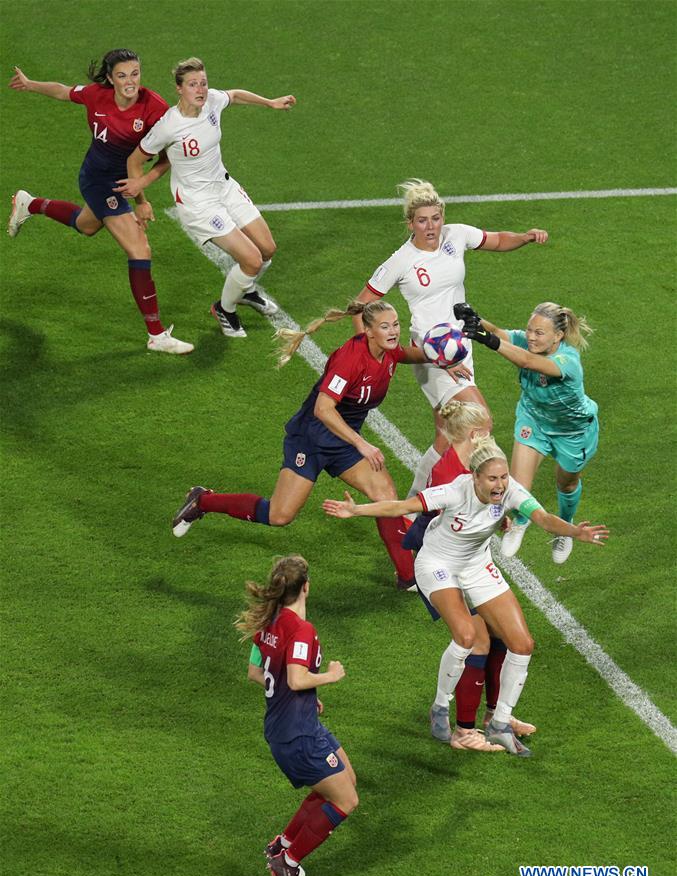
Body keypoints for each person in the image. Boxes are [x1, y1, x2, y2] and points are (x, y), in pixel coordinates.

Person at [323, 437, 609, 756]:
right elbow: (402, 507)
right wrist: (356, 510)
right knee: (466, 636)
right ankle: (441, 708)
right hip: (437, 564)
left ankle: (499, 723)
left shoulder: (511, 490)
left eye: (503, 477)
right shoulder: (455, 491)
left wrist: (575, 532)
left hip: (476, 565)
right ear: (475, 477)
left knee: (523, 644)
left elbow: (542, 519)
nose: (500, 485)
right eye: (493, 479)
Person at [171, 300, 469, 589]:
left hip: (342, 440)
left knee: (384, 493)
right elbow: (323, 409)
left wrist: (443, 361)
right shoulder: (349, 360)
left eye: (396, 325)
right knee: (280, 515)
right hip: (311, 438)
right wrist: (362, 445)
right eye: (384, 327)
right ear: (368, 331)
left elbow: (406, 354)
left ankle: (408, 576)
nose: (393, 332)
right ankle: (202, 500)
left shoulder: (388, 352)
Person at [354, 178, 548, 498]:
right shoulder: (401, 261)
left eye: (435, 218)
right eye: (422, 220)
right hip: (430, 354)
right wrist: (365, 352)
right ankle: (489, 502)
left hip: (460, 348)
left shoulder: (455, 235)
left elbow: (497, 240)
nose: (430, 227)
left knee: (446, 437)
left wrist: (525, 237)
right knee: (479, 422)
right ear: (410, 223)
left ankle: (414, 507)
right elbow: (360, 307)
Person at [7, 50, 193, 354]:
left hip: (124, 183)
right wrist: (30, 84)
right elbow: (63, 91)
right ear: (110, 79)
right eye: (122, 75)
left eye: (135, 73)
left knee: (87, 225)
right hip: (97, 179)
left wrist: (142, 190)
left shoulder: (155, 108)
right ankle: (157, 335)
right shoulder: (97, 95)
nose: (130, 81)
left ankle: (31, 204)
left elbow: (166, 158)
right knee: (139, 249)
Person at [118, 56, 295, 338]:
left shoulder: (211, 101)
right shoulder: (168, 126)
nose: (200, 90)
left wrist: (270, 102)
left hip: (225, 188)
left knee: (266, 251)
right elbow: (134, 161)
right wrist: (141, 201)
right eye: (192, 85)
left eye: (203, 83)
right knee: (251, 261)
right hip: (198, 204)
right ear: (179, 89)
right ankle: (225, 309)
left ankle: (245, 290)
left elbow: (234, 95)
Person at [402, 399, 535, 751]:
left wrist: (499, 515)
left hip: (471, 561)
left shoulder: (475, 467)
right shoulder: (452, 475)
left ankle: (494, 717)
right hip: (442, 564)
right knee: (476, 640)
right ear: (476, 434)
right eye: (488, 430)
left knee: (501, 634)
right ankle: (463, 730)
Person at [235, 554, 357, 876]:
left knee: (346, 778)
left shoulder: (268, 622)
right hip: (297, 736)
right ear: (306, 587)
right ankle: (287, 860)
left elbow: (256, 674)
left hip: (292, 724)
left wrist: (301, 697)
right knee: (346, 800)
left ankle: (282, 844)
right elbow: (297, 677)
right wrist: (330, 677)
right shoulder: (301, 629)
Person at [457, 300, 598, 564]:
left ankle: (564, 528)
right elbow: (499, 333)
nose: (531, 337)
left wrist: (488, 340)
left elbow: (528, 361)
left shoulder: (567, 361)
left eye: (539, 333)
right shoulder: (529, 341)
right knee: (517, 486)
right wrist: (476, 319)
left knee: (566, 483)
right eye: (530, 330)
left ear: (558, 336)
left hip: (573, 432)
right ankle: (521, 522)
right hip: (533, 420)